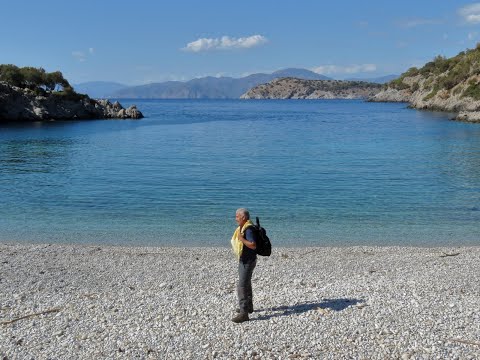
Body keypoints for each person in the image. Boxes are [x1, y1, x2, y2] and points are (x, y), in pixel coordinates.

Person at [230, 208, 258, 323]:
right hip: (246, 259)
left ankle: (244, 313)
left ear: (243, 217)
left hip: (248, 261)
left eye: (237, 216)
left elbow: (253, 245)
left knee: (241, 285)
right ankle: (248, 306)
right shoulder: (245, 226)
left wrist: (241, 239)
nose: (235, 218)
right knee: (246, 282)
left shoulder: (248, 230)